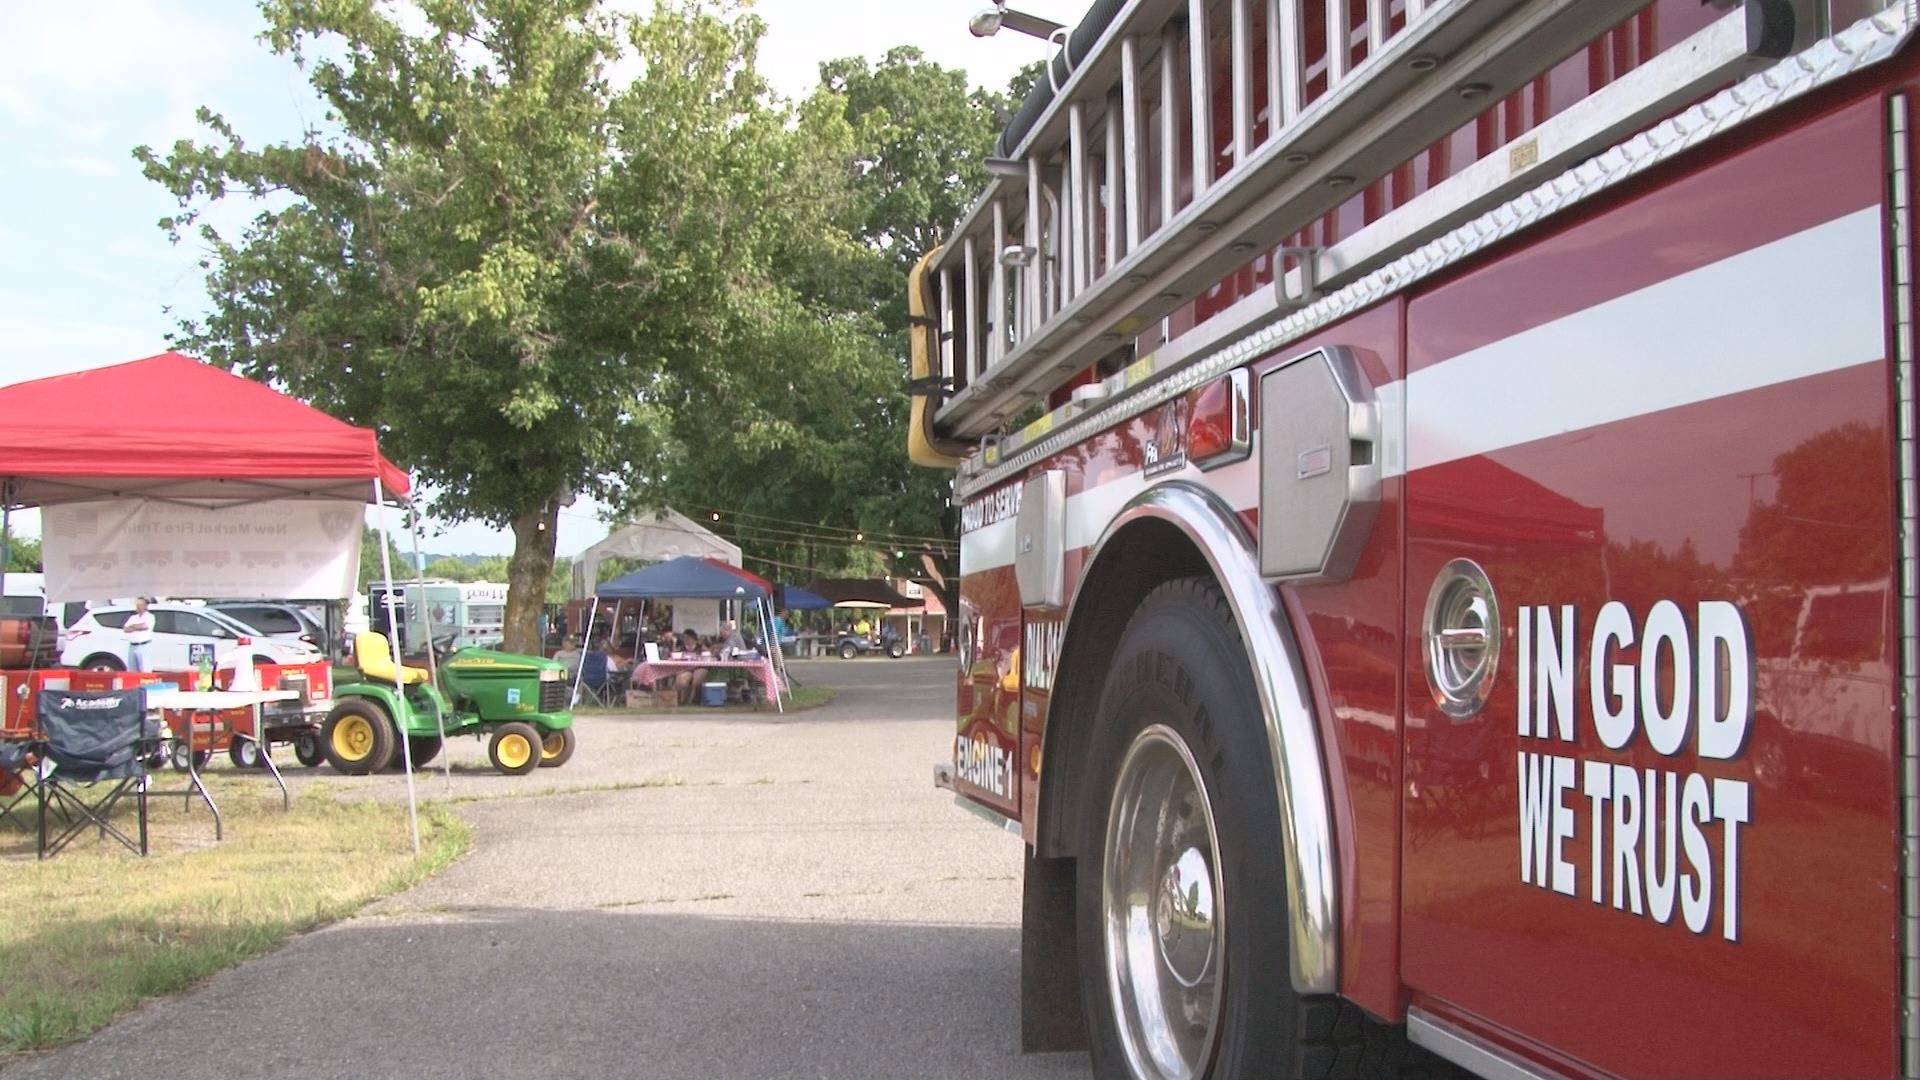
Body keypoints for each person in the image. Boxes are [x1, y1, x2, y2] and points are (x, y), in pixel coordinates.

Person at [124, 598, 155, 672]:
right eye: (137, 605)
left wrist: (133, 626)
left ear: (145, 606)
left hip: (143, 646)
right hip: (132, 646)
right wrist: (137, 627)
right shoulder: (133, 617)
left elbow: (144, 626)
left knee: (145, 669)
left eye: (140, 605)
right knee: (132, 670)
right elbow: (126, 629)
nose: (138, 607)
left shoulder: (150, 616)